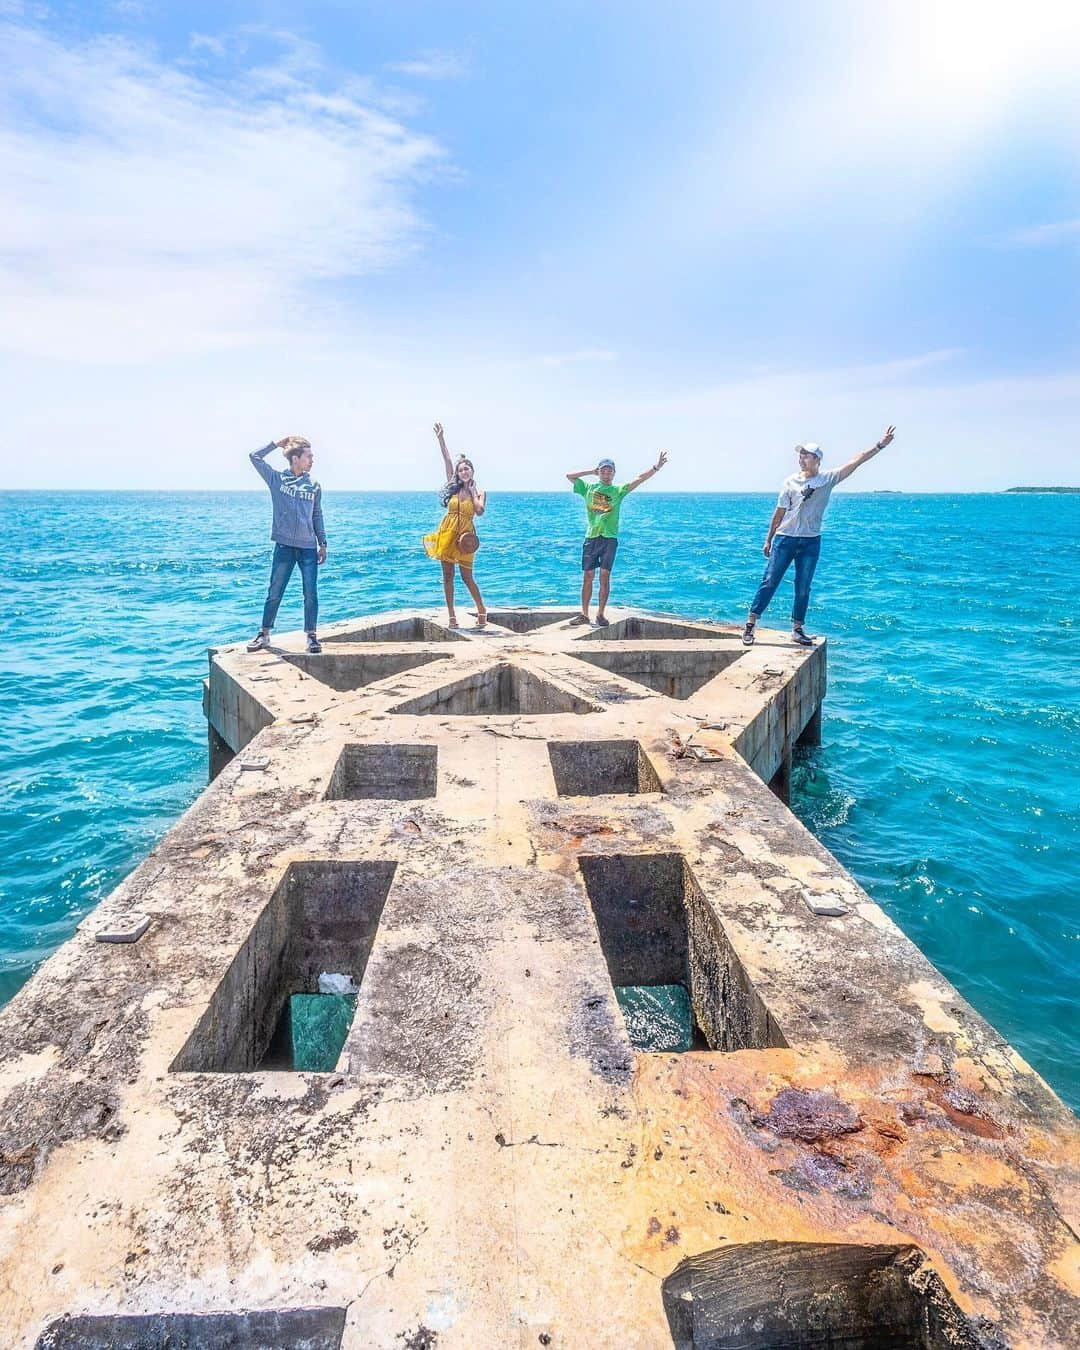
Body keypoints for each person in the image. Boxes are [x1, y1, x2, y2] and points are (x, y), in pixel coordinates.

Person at [742, 427, 896, 647]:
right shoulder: (790, 482)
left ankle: (797, 629)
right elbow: (779, 513)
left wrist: (880, 445)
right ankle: (750, 624)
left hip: (811, 541)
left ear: (817, 459)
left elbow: (857, 460)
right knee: (770, 581)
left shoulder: (828, 478)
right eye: (800, 455)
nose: (801, 459)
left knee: (803, 586)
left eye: (805, 455)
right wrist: (768, 539)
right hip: (785, 539)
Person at [566, 451, 669, 626]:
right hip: (592, 537)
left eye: (609, 471)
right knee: (588, 576)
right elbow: (570, 476)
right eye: (603, 471)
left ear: (614, 473)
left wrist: (656, 467)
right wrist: (592, 471)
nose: (606, 474)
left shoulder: (617, 491)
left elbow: (639, 479)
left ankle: (600, 614)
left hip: (609, 538)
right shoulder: (588, 488)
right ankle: (584, 614)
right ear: (599, 472)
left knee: (604, 576)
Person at [246, 435, 327, 654]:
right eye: (308, 456)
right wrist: (275, 444)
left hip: (308, 547)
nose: (312, 460)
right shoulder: (277, 480)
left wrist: (323, 542)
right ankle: (264, 634)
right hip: (284, 546)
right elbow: (254, 457)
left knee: (311, 593)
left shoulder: (314, 486)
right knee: (275, 591)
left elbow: (316, 514)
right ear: (296, 458)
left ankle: (311, 637)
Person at [423, 422, 488, 630]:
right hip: (447, 534)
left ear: (472, 470)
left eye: (466, 468)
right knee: (447, 576)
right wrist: (441, 438)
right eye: (461, 470)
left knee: (467, 577)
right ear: (457, 474)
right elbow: (447, 459)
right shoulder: (452, 489)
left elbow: (479, 511)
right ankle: (451, 616)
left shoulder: (479, 492)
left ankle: (481, 610)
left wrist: (471, 491)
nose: (464, 472)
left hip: (466, 538)